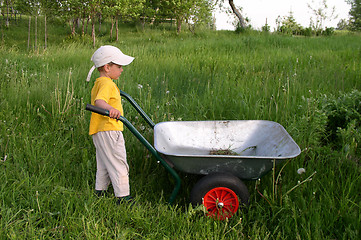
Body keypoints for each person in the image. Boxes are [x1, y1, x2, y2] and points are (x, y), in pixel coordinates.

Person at [86, 45, 134, 203]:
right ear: (107, 67)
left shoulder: (99, 82)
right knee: (119, 163)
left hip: (98, 131)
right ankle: (123, 198)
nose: (121, 70)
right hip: (109, 129)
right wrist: (111, 109)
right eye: (119, 66)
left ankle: (100, 192)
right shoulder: (107, 84)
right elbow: (100, 102)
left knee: (104, 163)